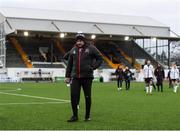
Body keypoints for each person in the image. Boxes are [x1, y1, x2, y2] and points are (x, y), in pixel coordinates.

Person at [65, 33, 103, 122]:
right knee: (74, 96)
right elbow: (69, 64)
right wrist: (67, 76)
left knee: (87, 96)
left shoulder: (91, 48)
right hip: (75, 77)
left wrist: (93, 67)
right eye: (77, 41)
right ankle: (75, 116)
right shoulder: (73, 50)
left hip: (87, 77)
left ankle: (87, 116)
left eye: (81, 41)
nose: (79, 42)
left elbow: (100, 58)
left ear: (84, 41)